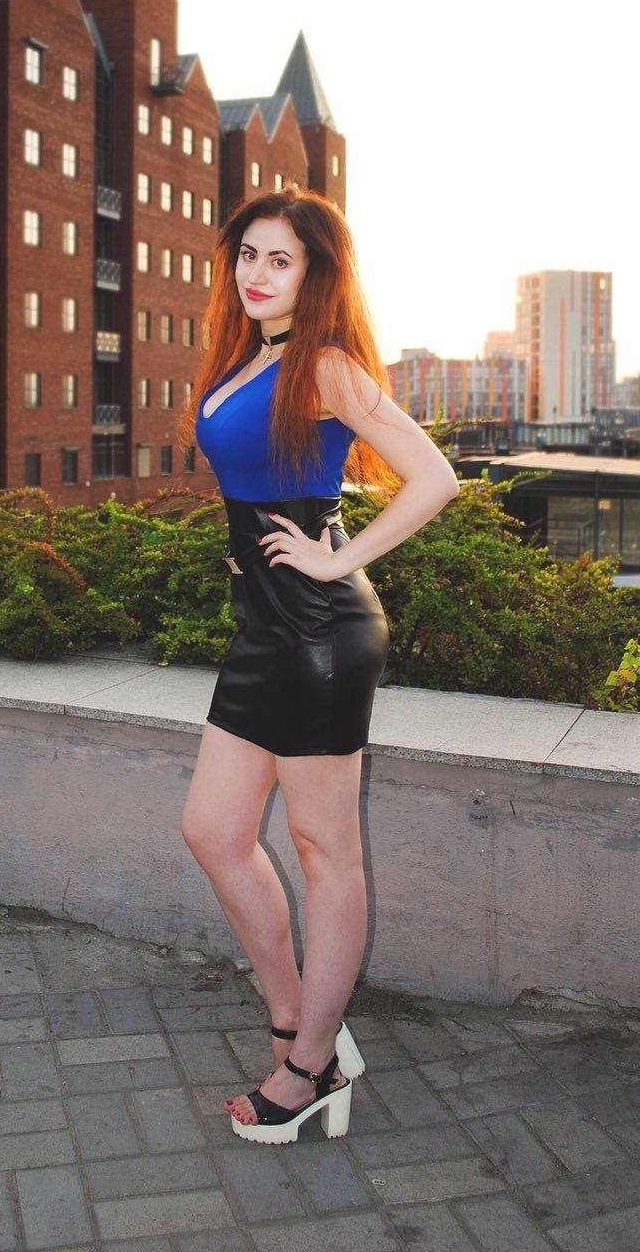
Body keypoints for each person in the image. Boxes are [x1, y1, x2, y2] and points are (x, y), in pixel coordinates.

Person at [177, 183, 460, 1144]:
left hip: (319, 631)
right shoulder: (248, 357)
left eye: (280, 259)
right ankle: (305, 1028)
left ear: (315, 273)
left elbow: (434, 476)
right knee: (214, 832)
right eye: (247, 255)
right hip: (262, 628)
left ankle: (306, 1071)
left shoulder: (327, 364)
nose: (256, 274)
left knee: (324, 851)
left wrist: (338, 558)